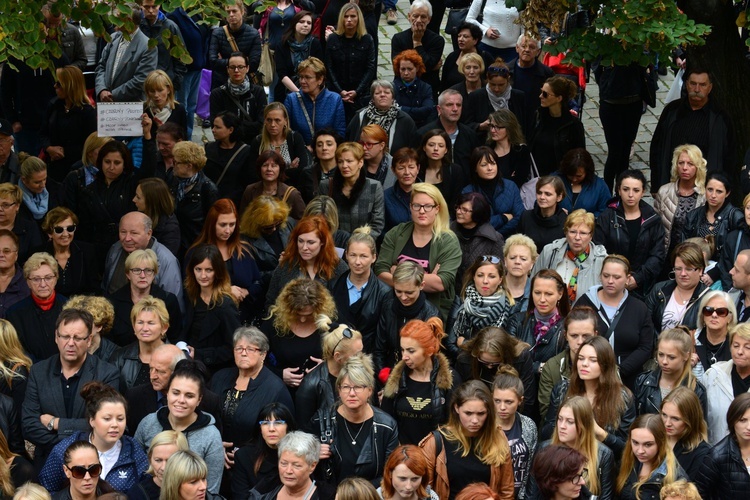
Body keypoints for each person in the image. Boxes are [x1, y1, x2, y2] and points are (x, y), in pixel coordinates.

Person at [21, 309, 120, 467]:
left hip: (93, 463)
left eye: (78, 338)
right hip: (48, 460)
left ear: (88, 340)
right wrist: (63, 446)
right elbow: (29, 424)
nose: (70, 343)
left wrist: (57, 423)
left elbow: (106, 423)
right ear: (56, 337)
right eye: (65, 336)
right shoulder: (38, 371)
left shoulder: (107, 374)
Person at [39, 382, 148, 492]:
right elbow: (46, 490)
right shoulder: (67, 448)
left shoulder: (134, 450)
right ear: (92, 420)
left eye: (120, 419)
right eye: (107, 418)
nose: (115, 424)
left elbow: (145, 490)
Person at [134, 360, 224, 494]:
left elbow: (210, 490)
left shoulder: (211, 436)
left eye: (189, 395)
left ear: (199, 400)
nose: (181, 400)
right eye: (176, 393)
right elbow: (135, 471)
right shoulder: (148, 423)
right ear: (167, 393)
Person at [375, 183, 462, 320]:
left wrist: (398, 274)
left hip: (431, 313)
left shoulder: (448, 241)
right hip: (394, 310)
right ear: (410, 207)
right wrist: (426, 278)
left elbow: (441, 282)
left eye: (428, 206)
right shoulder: (396, 233)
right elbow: (380, 271)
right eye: (417, 206)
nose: (422, 211)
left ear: (437, 209)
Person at [309, 353, 397, 486]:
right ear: (339, 390)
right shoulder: (321, 421)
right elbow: (307, 469)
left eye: (358, 387)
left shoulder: (386, 426)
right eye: (346, 387)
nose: (351, 393)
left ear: (369, 390)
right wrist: (311, 455)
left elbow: (390, 474)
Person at [418, 380, 514, 499]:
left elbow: (506, 491)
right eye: (468, 413)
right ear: (456, 408)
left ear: (489, 412)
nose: (474, 420)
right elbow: (424, 491)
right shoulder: (436, 441)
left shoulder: (497, 437)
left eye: (481, 413)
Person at [544, 336, 636, 457]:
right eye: (581, 359)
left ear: (605, 364)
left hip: (603, 465)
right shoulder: (562, 389)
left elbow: (627, 449)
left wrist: (599, 432)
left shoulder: (623, 397)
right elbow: (546, 433)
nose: (584, 364)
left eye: (593, 360)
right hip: (565, 459)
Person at [573, 255, 655, 390]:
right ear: (600, 276)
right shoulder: (585, 303)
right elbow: (573, 335)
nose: (610, 281)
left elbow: (646, 347)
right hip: (588, 378)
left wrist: (619, 371)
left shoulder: (639, 308)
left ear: (628, 279)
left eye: (617, 277)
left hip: (626, 381)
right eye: (606, 276)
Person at [209, 327, 293, 457]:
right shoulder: (219, 378)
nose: (243, 353)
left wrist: (245, 454)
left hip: (256, 462)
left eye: (250, 349)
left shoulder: (276, 388)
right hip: (214, 455)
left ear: (263, 354)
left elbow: (286, 434)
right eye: (239, 349)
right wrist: (215, 445)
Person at [650, 69, 734, 191]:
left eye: (702, 85)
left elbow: (729, 159)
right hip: (672, 186)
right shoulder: (672, 111)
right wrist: (656, 184)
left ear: (710, 87)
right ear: (686, 84)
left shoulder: (720, 117)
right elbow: (656, 149)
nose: (697, 89)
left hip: (706, 189)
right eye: (693, 83)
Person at [75, 138, 155, 264]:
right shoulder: (89, 189)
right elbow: (85, 226)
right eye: (107, 162)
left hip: (126, 245)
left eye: (117, 163)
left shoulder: (132, 184)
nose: (111, 167)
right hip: (97, 247)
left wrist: (148, 138)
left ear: (125, 164)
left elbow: (149, 169)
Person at [382, 318, 456, 445]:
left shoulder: (448, 380)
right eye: (402, 350)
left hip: (436, 454)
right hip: (403, 457)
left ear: (430, 350)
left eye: (411, 351)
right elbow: (385, 421)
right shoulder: (396, 379)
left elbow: (454, 425)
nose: (404, 356)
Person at [188, 199, 262, 323]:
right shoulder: (196, 253)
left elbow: (258, 283)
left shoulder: (243, 250)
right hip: (207, 320)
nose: (228, 230)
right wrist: (226, 291)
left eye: (232, 224)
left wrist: (246, 291)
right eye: (223, 225)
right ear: (212, 224)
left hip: (242, 319)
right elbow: (191, 289)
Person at [123, 345, 223, 436]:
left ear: (176, 372)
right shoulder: (134, 396)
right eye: (151, 369)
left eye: (160, 371)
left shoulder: (209, 400)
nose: (152, 376)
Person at [594, 170, 666, 298]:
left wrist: (637, 279)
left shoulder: (652, 219)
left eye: (636, 190)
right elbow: (598, 249)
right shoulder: (607, 217)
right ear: (619, 190)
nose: (630, 194)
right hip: (611, 282)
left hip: (643, 286)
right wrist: (616, 276)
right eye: (626, 189)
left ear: (643, 192)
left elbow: (657, 255)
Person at [528, 396, 614, 500]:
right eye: (560, 419)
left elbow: (606, 497)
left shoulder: (603, 454)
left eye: (570, 421)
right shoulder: (545, 449)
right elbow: (532, 494)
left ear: (584, 425)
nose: (562, 426)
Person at [262, 278, 336, 392]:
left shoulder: (329, 323)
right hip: (281, 391)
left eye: (309, 315)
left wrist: (327, 368)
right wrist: (279, 374)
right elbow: (256, 358)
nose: (302, 319)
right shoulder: (274, 324)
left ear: (319, 309)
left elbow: (348, 357)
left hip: (320, 392)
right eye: (297, 314)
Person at [327, 227, 391, 352]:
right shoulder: (333, 285)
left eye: (363, 256)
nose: (357, 262)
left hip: (367, 357)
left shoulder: (384, 293)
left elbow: (382, 337)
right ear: (346, 255)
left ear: (374, 257)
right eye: (353, 255)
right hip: (337, 354)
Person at [264, 215, 348, 309]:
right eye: (300, 241)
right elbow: (271, 301)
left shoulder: (338, 266)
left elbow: (345, 305)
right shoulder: (288, 264)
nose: (304, 248)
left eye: (310, 242)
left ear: (322, 242)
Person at [294, 318, 363, 431]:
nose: (361, 359)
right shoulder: (310, 385)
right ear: (338, 357)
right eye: (356, 355)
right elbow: (303, 432)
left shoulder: (363, 375)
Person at [182, 245, 241, 373]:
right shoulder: (192, 295)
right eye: (198, 269)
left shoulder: (225, 305)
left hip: (215, 372)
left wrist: (199, 354)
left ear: (217, 271)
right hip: (190, 366)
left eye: (209, 270)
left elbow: (234, 347)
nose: (203, 275)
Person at [373, 261, 440, 374]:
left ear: (421, 285)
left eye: (409, 292)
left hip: (416, 373)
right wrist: (383, 376)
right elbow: (379, 349)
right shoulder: (388, 306)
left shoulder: (431, 314)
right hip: (390, 370)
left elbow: (430, 355)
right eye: (398, 291)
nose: (403, 297)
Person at [100, 211, 183, 301]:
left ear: (149, 234)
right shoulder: (116, 249)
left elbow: (173, 302)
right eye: (123, 232)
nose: (127, 238)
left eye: (134, 233)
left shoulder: (166, 261)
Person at [107, 249, 182, 347]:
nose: (142, 275)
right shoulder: (113, 302)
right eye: (137, 270)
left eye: (148, 270)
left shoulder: (168, 300)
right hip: (121, 360)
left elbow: (177, 337)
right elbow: (109, 342)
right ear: (128, 274)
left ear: (154, 274)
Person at [532, 210, 608, 303]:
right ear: (566, 233)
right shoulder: (550, 251)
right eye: (573, 232)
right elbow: (533, 284)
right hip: (550, 313)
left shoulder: (601, 260)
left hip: (585, 314)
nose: (577, 237)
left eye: (583, 233)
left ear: (591, 236)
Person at [455, 327, 535, 414]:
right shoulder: (465, 359)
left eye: (495, 364)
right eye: (484, 362)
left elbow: (528, 399)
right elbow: (460, 396)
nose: (489, 367)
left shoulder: (520, 357)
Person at [7, 252, 68, 362]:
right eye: (36, 279)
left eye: (48, 278)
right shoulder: (14, 314)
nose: (43, 284)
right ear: (27, 282)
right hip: (32, 372)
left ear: (56, 279)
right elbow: (17, 351)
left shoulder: (70, 307)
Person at [506, 269, 569, 375]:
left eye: (548, 294)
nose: (542, 299)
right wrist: (539, 367)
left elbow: (565, 366)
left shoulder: (568, 328)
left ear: (560, 294)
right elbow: (509, 361)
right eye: (537, 293)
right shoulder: (516, 321)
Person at [539, 306, 597, 421]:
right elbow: (547, 414)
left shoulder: (607, 367)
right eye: (574, 336)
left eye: (586, 336)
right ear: (565, 335)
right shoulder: (551, 368)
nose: (580, 342)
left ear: (595, 335)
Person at [40, 66, 96, 183]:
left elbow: (91, 144)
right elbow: (43, 133)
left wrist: (64, 152)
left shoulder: (87, 112)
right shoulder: (53, 105)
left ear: (70, 86)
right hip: (53, 166)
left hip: (77, 169)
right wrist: (49, 148)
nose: (55, 86)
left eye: (59, 84)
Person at [634, 328, 708, 417]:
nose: (664, 361)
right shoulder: (643, 382)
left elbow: (700, 428)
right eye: (661, 355)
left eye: (671, 357)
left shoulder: (696, 390)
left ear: (686, 356)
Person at [448, 257, 514, 356]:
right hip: (463, 365)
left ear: (500, 279)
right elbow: (450, 344)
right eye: (480, 275)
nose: (485, 281)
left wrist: (465, 344)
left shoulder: (510, 306)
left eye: (491, 276)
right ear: (474, 277)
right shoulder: (461, 300)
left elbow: (505, 349)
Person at [320, 142, 385, 239]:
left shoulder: (374, 187)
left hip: (363, 246)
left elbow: (377, 224)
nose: (344, 165)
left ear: (360, 163)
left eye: (349, 161)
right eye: (340, 161)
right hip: (333, 245)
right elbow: (320, 219)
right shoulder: (326, 186)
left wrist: (358, 243)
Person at [680, 173, 743, 273]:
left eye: (719, 191)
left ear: (727, 193)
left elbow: (738, 253)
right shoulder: (693, 215)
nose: (713, 195)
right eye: (710, 189)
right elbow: (683, 248)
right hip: (694, 270)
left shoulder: (735, 217)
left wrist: (714, 274)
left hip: (725, 274)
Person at [231, 403, 296, 498]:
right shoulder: (244, 456)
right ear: (260, 428)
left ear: (288, 427)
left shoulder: (300, 455)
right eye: (265, 423)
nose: (271, 429)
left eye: (278, 423)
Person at [95, 4, 158, 102]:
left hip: (130, 107)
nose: (114, 21)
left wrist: (111, 95)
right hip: (106, 106)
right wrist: (102, 89)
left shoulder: (148, 47)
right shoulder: (113, 38)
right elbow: (101, 66)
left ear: (129, 21)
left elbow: (140, 80)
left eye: (119, 18)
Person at [325, 3, 377, 121]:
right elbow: (329, 66)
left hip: (360, 93)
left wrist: (357, 91)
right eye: (346, 16)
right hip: (337, 91)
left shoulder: (367, 39)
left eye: (353, 16)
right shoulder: (333, 39)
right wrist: (340, 91)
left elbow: (370, 68)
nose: (349, 20)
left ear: (359, 18)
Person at [166, 141, 219, 257]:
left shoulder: (207, 188)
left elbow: (212, 224)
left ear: (189, 166)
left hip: (194, 247)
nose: (171, 164)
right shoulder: (172, 178)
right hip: (173, 243)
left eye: (176, 162)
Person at [615, 414, 687, 500]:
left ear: (661, 443)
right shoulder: (627, 462)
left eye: (648, 444)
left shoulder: (676, 479)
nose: (640, 451)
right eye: (635, 443)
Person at [491, 367, 538, 499]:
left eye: (508, 402)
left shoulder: (528, 426)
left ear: (520, 401)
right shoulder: (485, 427)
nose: (502, 407)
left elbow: (531, 467)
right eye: (497, 401)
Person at [654, 145, 707, 257]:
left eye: (690, 164)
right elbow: (655, 227)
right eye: (681, 163)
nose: (684, 168)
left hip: (693, 256)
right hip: (665, 254)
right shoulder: (664, 192)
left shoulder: (704, 196)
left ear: (698, 167)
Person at [694, 392, 750, 498]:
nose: (749, 427)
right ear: (733, 420)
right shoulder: (716, 456)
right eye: (743, 420)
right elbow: (698, 494)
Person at [109, 296, 171, 391]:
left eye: (151, 323)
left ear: (164, 328)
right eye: (140, 322)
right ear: (134, 327)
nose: (145, 328)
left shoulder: (177, 358)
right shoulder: (119, 358)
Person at [702, 322, 750, 444]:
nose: (740, 351)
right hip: (716, 453)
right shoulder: (713, 375)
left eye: (747, 347)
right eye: (736, 345)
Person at [646, 242, 710, 333]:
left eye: (688, 269)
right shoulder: (659, 289)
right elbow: (645, 324)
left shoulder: (709, 298)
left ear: (700, 270)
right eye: (678, 269)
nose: (683, 274)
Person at [529, 76, 585, 176]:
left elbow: (579, 157)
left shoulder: (573, 125)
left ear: (559, 98)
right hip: (536, 176)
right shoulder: (538, 116)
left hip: (560, 179)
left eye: (545, 94)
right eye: (541, 92)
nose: (540, 96)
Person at [462, 146, 524, 236]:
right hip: (479, 242)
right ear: (475, 168)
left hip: (509, 240)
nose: (490, 168)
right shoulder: (467, 192)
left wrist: (496, 235)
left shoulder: (511, 186)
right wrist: (503, 218)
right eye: (484, 165)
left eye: (493, 163)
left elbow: (520, 217)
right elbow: (471, 223)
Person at [450, 193, 505, 295]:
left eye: (465, 210)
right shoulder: (447, 233)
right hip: (451, 294)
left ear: (478, 213)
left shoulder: (494, 238)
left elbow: (500, 270)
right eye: (458, 208)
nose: (458, 212)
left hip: (480, 296)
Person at [283, 57, 346, 144]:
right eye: (301, 77)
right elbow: (286, 132)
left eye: (307, 77)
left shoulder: (335, 99)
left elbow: (340, 132)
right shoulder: (292, 100)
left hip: (327, 153)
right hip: (300, 153)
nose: (302, 81)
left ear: (320, 79)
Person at [347, 79, 420, 155]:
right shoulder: (360, 116)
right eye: (378, 93)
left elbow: (413, 148)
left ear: (393, 98)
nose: (382, 95)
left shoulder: (405, 120)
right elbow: (350, 142)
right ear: (372, 98)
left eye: (387, 92)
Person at [247, 103, 309, 191]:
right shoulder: (258, 142)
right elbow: (253, 174)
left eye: (277, 120)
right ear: (264, 121)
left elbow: (302, 170)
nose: (272, 124)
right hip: (264, 192)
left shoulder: (294, 138)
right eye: (269, 120)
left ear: (285, 121)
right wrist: (289, 169)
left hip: (291, 191)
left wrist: (268, 174)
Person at [209, 52, 267, 145]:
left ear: (247, 68)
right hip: (227, 144)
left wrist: (233, 126)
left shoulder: (258, 92)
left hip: (253, 144)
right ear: (227, 69)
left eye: (240, 67)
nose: (236, 70)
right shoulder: (217, 94)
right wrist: (247, 126)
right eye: (232, 67)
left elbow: (261, 124)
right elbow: (216, 125)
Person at [462, 59, 529, 139]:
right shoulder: (476, 97)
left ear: (508, 79)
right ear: (487, 79)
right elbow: (466, 124)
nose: (496, 89)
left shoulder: (518, 96)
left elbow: (525, 126)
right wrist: (480, 126)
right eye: (492, 84)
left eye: (501, 85)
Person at [390, 1, 445, 97]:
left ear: (429, 19)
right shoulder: (398, 38)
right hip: (402, 87)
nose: (419, 20)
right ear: (409, 16)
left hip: (427, 88)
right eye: (415, 16)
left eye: (423, 17)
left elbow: (427, 65)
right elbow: (398, 67)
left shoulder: (437, 41)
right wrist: (428, 67)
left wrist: (417, 43)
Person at [416, 90, 480, 172]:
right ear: (439, 109)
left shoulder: (470, 134)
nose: (455, 109)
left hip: (464, 183)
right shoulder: (424, 134)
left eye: (458, 105)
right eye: (449, 105)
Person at [258, 431, 334, 500]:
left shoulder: (328, 496)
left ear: (312, 466)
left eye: (296, 465)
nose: (288, 471)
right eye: (283, 464)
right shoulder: (263, 492)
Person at [238, 195, 292, 292]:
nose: (274, 229)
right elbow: (251, 276)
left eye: (278, 224)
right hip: (265, 293)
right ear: (256, 224)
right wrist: (279, 269)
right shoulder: (244, 240)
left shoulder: (287, 225)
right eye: (268, 227)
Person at [660, 387, 711, 481]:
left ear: (690, 420)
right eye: (664, 415)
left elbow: (692, 492)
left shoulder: (702, 453)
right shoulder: (653, 439)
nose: (667, 423)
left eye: (675, 419)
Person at [203, 112, 255, 205]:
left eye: (218, 127)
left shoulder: (246, 152)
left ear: (230, 129)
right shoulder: (209, 148)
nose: (213, 130)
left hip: (232, 203)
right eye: (213, 126)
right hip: (209, 201)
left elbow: (247, 182)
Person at [208, 0, 262, 88]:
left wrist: (226, 63)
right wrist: (242, 63)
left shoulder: (253, 34)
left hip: (246, 84)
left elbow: (253, 64)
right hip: (221, 83)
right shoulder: (217, 33)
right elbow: (213, 61)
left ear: (242, 11)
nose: (231, 15)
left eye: (234, 11)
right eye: (228, 12)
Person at [274, 11, 324, 104]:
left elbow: (319, 70)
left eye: (309, 23)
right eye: (302, 22)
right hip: (286, 91)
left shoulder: (315, 43)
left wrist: (308, 92)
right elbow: (282, 73)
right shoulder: (282, 44)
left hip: (311, 91)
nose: (305, 25)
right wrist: (298, 93)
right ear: (294, 24)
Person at [125, 430, 189, 500]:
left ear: (184, 459)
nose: (163, 467)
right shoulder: (138, 493)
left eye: (170, 461)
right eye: (158, 460)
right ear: (150, 458)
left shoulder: (198, 489)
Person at [139, 1, 187, 93]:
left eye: (154, 7)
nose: (151, 11)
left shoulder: (170, 26)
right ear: (141, 6)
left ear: (159, 5)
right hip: (141, 84)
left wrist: (175, 83)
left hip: (164, 84)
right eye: (147, 7)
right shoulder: (137, 25)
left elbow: (180, 56)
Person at [417, 129, 466, 212]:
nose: (436, 149)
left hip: (446, 219)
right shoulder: (417, 169)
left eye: (441, 146)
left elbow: (455, 202)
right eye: (431, 145)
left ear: (446, 150)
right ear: (424, 147)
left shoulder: (455, 170)